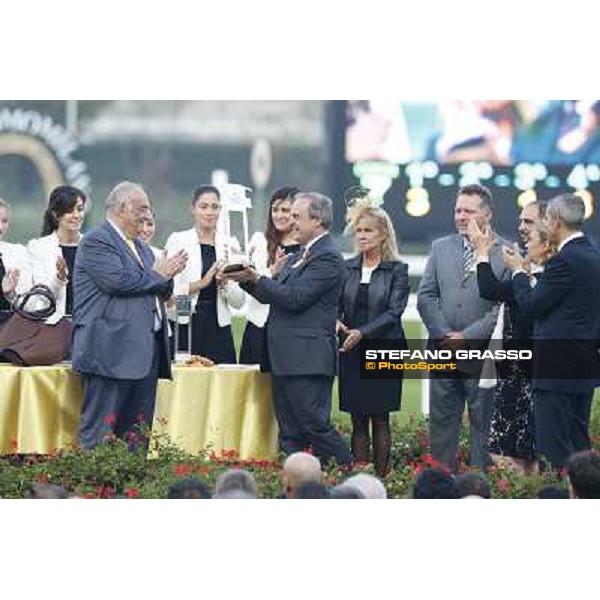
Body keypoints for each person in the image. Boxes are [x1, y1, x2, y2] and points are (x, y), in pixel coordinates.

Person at [225, 193, 353, 466]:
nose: (290, 221)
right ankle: (294, 488)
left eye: (296, 216)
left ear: (317, 220)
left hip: (307, 360)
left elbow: (295, 299)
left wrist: (258, 277)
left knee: (315, 428)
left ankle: (352, 482)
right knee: (289, 434)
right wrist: (247, 280)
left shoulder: (328, 257)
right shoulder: (300, 255)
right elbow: (276, 293)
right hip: (285, 358)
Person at [72, 181, 187, 449]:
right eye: (142, 208)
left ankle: (131, 490)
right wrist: (158, 274)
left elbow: (160, 286)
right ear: (123, 208)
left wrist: (166, 274)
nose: (147, 215)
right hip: (109, 353)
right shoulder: (96, 241)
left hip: (145, 354)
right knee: (99, 433)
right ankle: (92, 490)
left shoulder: (143, 247)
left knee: (137, 436)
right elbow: (119, 282)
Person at [417, 184, 508, 470]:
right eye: (458, 210)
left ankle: (480, 488)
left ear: (487, 214)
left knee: (483, 423)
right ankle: (441, 485)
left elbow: (501, 309)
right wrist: (445, 334)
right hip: (443, 349)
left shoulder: (507, 252)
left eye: (468, 210)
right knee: (442, 423)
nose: (460, 216)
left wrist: (467, 338)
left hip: (481, 354)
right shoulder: (440, 247)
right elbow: (426, 296)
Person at [507, 194, 600, 470]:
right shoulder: (593, 254)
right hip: (584, 367)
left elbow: (531, 306)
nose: (543, 226)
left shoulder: (565, 260)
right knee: (579, 445)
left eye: (546, 219)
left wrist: (519, 274)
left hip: (556, 370)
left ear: (556, 222)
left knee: (553, 449)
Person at [471, 203, 552, 475]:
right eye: (520, 220)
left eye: (528, 222)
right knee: (519, 454)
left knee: (515, 455)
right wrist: (482, 253)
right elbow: (491, 289)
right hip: (515, 370)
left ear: (548, 227)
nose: (521, 228)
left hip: (533, 372)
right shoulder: (527, 271)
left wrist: (518, 270)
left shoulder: (549, 275)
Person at [337, 204, 409, 477]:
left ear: (383, 235)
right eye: (359, 230)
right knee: (357, 420)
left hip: (385, 350)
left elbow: (394, 312)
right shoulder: (347, 268)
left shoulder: (397, 270)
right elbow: (335, 304)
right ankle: (360, 480)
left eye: (368, 230)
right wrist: (337, 321)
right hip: (351, 352)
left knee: (380, 418)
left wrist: (361, 333)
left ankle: (382, 480)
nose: (362, 235)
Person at [165, 185, 244, 363]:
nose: (209, 212)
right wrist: (201, 283)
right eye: (204, 206)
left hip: (219, 324)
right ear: (193, 209)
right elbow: (168, 290)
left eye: (214, 207)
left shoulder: (229, 244)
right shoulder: (178, 240)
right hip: (185, 321)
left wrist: (224, 284)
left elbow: (239, 302)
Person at [239, 186, 300, 366]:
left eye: (285, 210)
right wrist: (270, 273)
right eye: (275, 209)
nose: (279, 215)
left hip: (289, 331)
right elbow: (251, 290)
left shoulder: (306, 248)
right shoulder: (260, 242)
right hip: (258, 326)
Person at [27, 185, 87, 320]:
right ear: (55, 214)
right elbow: (41, 299)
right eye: (69, 211)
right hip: (54, 327)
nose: (76, 215)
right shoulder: (38, 248)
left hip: (89, 326)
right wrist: (59, 279)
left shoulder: (93, 246)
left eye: (80, 209)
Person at [0, 198, 33, 318]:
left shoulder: (18, 253)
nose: (1, 228)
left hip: (10, 328)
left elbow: (27, 304)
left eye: (4, 221)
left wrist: (10, 294)